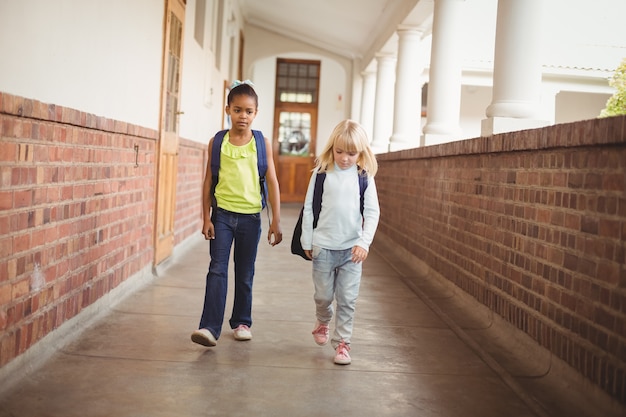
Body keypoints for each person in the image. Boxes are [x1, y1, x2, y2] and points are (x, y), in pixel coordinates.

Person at [191, 80, 282, 347]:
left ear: (256, 113)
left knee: (245, 271)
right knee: (217, 270)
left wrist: (276, 219)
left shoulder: (261, 143)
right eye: (238, 110)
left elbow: (273, 181)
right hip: (222, 217)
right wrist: (205, 217)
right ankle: (209, 327)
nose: (243, 116)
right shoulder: (217, 141)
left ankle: (242, 321)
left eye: (249, 111)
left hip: (251, 219)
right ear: (228, 109)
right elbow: (208, 181)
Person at [300, 119, 380, 365]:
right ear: (331, 148)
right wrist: (307, 240)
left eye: (352, 153)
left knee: (348, 298)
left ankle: (343, 343)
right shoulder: (322, 174)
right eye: (339, 151)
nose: (345, 158)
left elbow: (372, 212)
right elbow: (308, 209)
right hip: (323, 246)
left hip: (351, 251)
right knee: (323, 296)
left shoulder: (363, 177)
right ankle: (323, 320)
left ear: (362, 152)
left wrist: (364, 243)